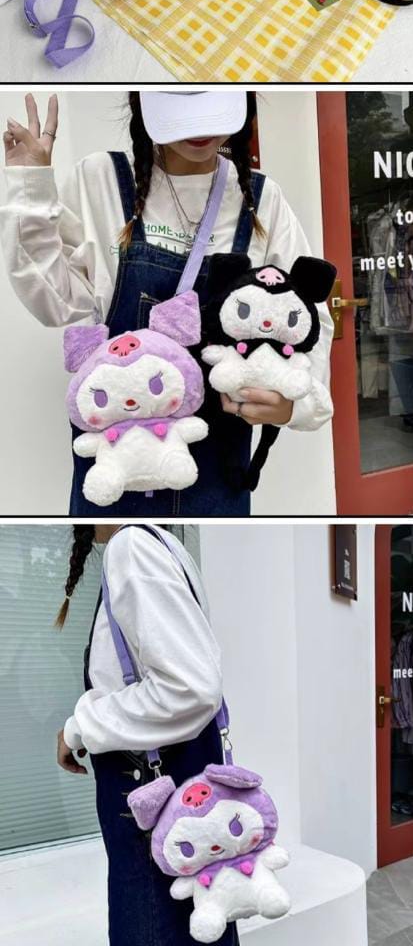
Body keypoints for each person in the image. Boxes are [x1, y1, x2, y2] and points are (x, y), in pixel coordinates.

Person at [1, 88, 333, 517]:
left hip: (218, 459)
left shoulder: (261, 199)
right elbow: (54, 302)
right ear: (139, 102)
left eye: (212, 111)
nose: (201, 131)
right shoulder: (101, 180)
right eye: (183, 114)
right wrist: (30, 189)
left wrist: (294, 405)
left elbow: (308, 316)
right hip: (115, 458)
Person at [56, 521, 238, 946]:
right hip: (179, 794)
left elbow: (190, 688)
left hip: (147, 799)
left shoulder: (132, 547)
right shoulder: (162, 544)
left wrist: (79, 728)